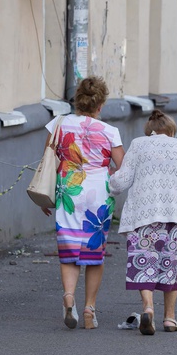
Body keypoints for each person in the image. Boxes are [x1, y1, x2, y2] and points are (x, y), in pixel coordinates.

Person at [109, 110, 177, 335]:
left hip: (144, 215)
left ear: (150, 130)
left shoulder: (138, 145)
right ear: (170, 130)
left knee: (144, 262)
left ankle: (148, 308)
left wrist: (109, 180)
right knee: (170, 265)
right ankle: (170, 318)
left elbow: (122, 181)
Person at [39, 76, 125, 330]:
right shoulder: (109, 132)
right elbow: (123, 167)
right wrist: (109, 177)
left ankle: (68, 298)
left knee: (68, 250)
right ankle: (89, 309)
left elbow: (47, 160)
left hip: (69, 189)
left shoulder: (59, 124)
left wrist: (46, 195)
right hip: (98, 193)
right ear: (100, 105)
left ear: (77, 101)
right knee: (93, 253)